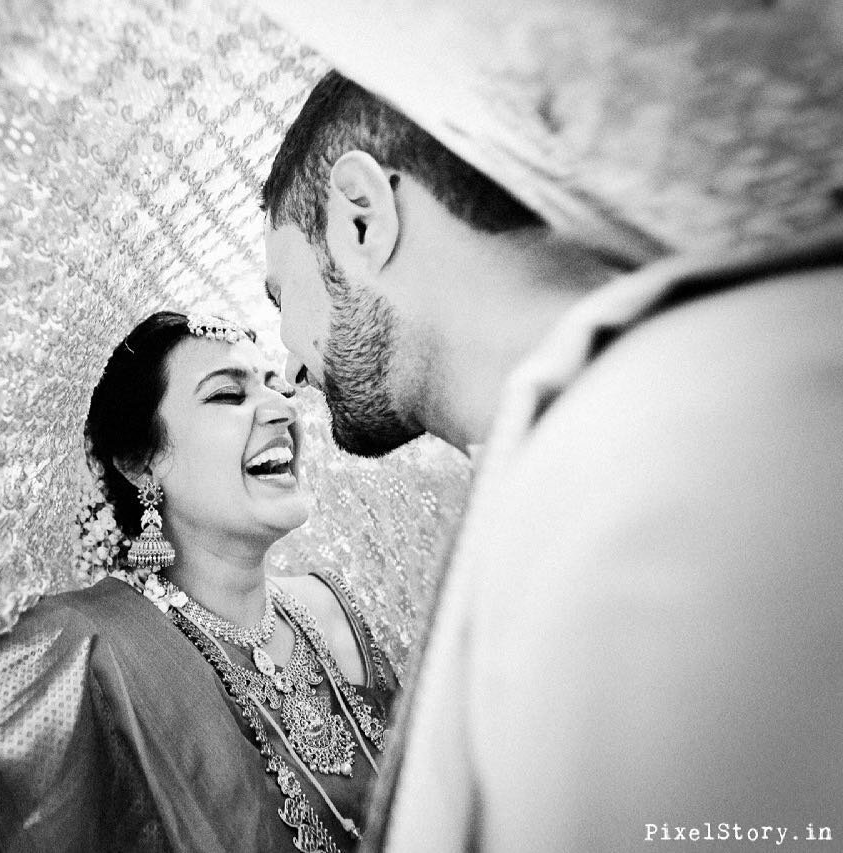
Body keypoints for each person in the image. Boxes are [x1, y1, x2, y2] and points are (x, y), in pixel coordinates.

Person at [262, 70, 843, 850]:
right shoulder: (617, 427)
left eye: (280, 297)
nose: (292, 369)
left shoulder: (647, 465)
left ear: (361, 219)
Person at [0, 310, 399, 853]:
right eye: (228, 396)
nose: (281, 408)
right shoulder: (74, 650)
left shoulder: (336, 605)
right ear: (140, 462)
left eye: (275, 386)